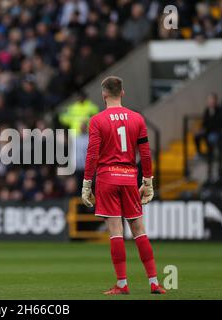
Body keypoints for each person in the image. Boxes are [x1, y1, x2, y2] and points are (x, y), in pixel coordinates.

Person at [81, 76, 166, 295]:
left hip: (107, 178)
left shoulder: (97, 120)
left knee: (116, 231)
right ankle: (154, 282)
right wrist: (147, 181)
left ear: (103, 94)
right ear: (123, 93)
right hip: (130, 177)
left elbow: (92, 155)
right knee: (139, 230)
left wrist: (86, 183)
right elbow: (145, 153)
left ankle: (122, 284)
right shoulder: (137, 118)